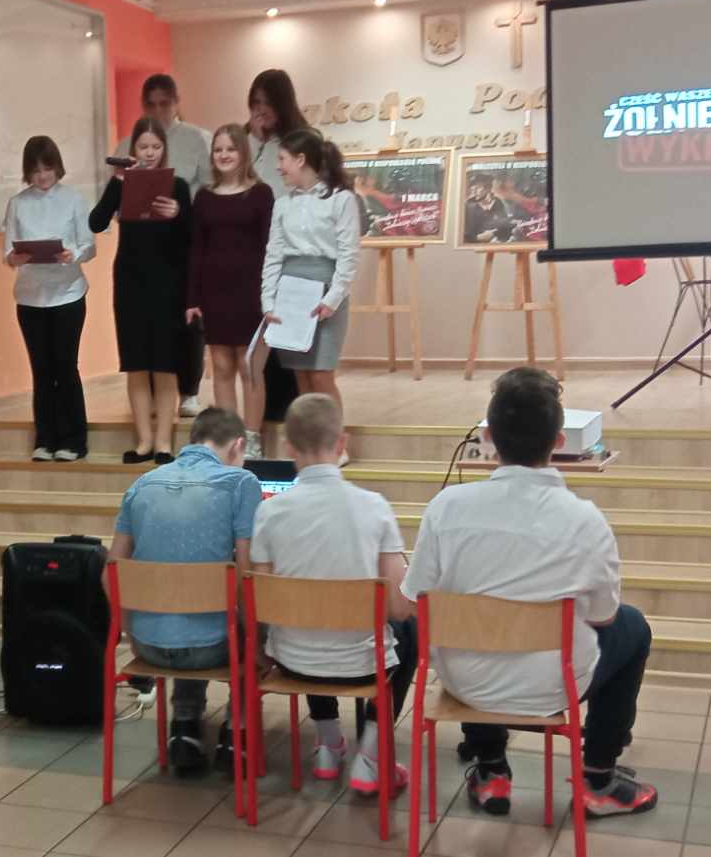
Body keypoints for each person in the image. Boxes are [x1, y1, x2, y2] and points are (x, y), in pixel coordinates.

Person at [401, 368, 657, 819]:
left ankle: (491, 769)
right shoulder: (585, 520)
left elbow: (413, 600)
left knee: (468, 624)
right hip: (552, 687)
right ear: (558, 441)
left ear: (487, 438)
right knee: (632, 626)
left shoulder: (445, 509)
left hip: (465, 684)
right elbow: (603, 617)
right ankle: (598, 778)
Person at [250, 394, 415, 796]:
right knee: (411, 630)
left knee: (308, 614)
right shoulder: (374, 507)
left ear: (288, 448)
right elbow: (399, 606)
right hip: (363, 664)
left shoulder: (268, 513)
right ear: (342, 443)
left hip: (292, 662)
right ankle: (371, 755)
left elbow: (261, 604)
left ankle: (327, 743)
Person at [109, 407, 260, 776]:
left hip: (148, 646)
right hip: (212, 647)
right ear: (238, 446)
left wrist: (134, 632)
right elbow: (247, 574)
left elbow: (110, 573)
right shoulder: (241, 483)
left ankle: (184, 728)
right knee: (246, 619)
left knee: (191, 606)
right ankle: (235, 734)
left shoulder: (141, 484)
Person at [91, 117, 195, 465]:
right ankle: (144, 441)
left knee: (165, 364)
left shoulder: (178, 186)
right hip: (130, 281)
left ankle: (164, 442)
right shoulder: (122, 183)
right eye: (143, 147)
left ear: (164, 149)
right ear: (132, 149)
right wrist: (116, 182)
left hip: (168, 283)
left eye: (156, 147)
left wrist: (177, 213)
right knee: (135, 364)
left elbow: (191, 239)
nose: (149, 153)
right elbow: (96, 222)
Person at [115, 73, 212, 416]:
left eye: (165, 103)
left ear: (176, 102)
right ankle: (154, 396)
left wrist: (182, 211)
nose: (159, 110)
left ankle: (189, 389)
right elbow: (114, 199)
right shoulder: (127, 144)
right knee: (145, 325)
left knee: (187, 317)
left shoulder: (197, 138)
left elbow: (207, 188)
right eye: (151, 104)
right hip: (141, 244)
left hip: (183, 237)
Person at [2, 135, 96, 462]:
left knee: (66, 367)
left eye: (48, 168)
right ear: (28, 171)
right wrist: (15, 258)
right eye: (36, 170)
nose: (42, 176)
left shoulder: (74, 199)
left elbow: (89, 245)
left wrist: (73, 254)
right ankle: (45, 439)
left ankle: (74, 440)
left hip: (68, 294)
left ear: (57, 167)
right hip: (30, 297)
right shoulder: (17, 203)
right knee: (41, 370)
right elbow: (7, 252)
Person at [186, 123, 277, 459]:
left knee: (250, 366)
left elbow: (271, 247)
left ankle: (252, 439)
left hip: (253, 292)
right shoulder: (204, 197)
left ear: (243, 152)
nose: (224, 155)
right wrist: (192, 298)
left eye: (230, 149)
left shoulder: (261, 193)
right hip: (215, 292)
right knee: (222, 368)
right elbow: (196, 250)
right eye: (218, 150)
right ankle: (230, 439)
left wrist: (271, 294)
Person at [262, 128, 361, 417]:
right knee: (301, 376)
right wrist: (268, 302)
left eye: (282, 159)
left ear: (301, 159)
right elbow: (273, 255)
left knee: (321, 374)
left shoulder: (341, 199)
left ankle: (334, 438)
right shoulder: (282, 204)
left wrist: (333, 299)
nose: (279, 167)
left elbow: (348, 254)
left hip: (326, 291)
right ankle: (310, 438)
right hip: (291, 292)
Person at [242, 70, 307, 450]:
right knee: (258, 335)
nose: (260, 110)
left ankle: (292, 411)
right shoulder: (244, 140)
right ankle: (260, 412)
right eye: (255, 102)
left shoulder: (300, 140)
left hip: (288, 246)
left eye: (267, 103)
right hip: (251, 249)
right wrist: (253, 140)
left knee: (288, 332)